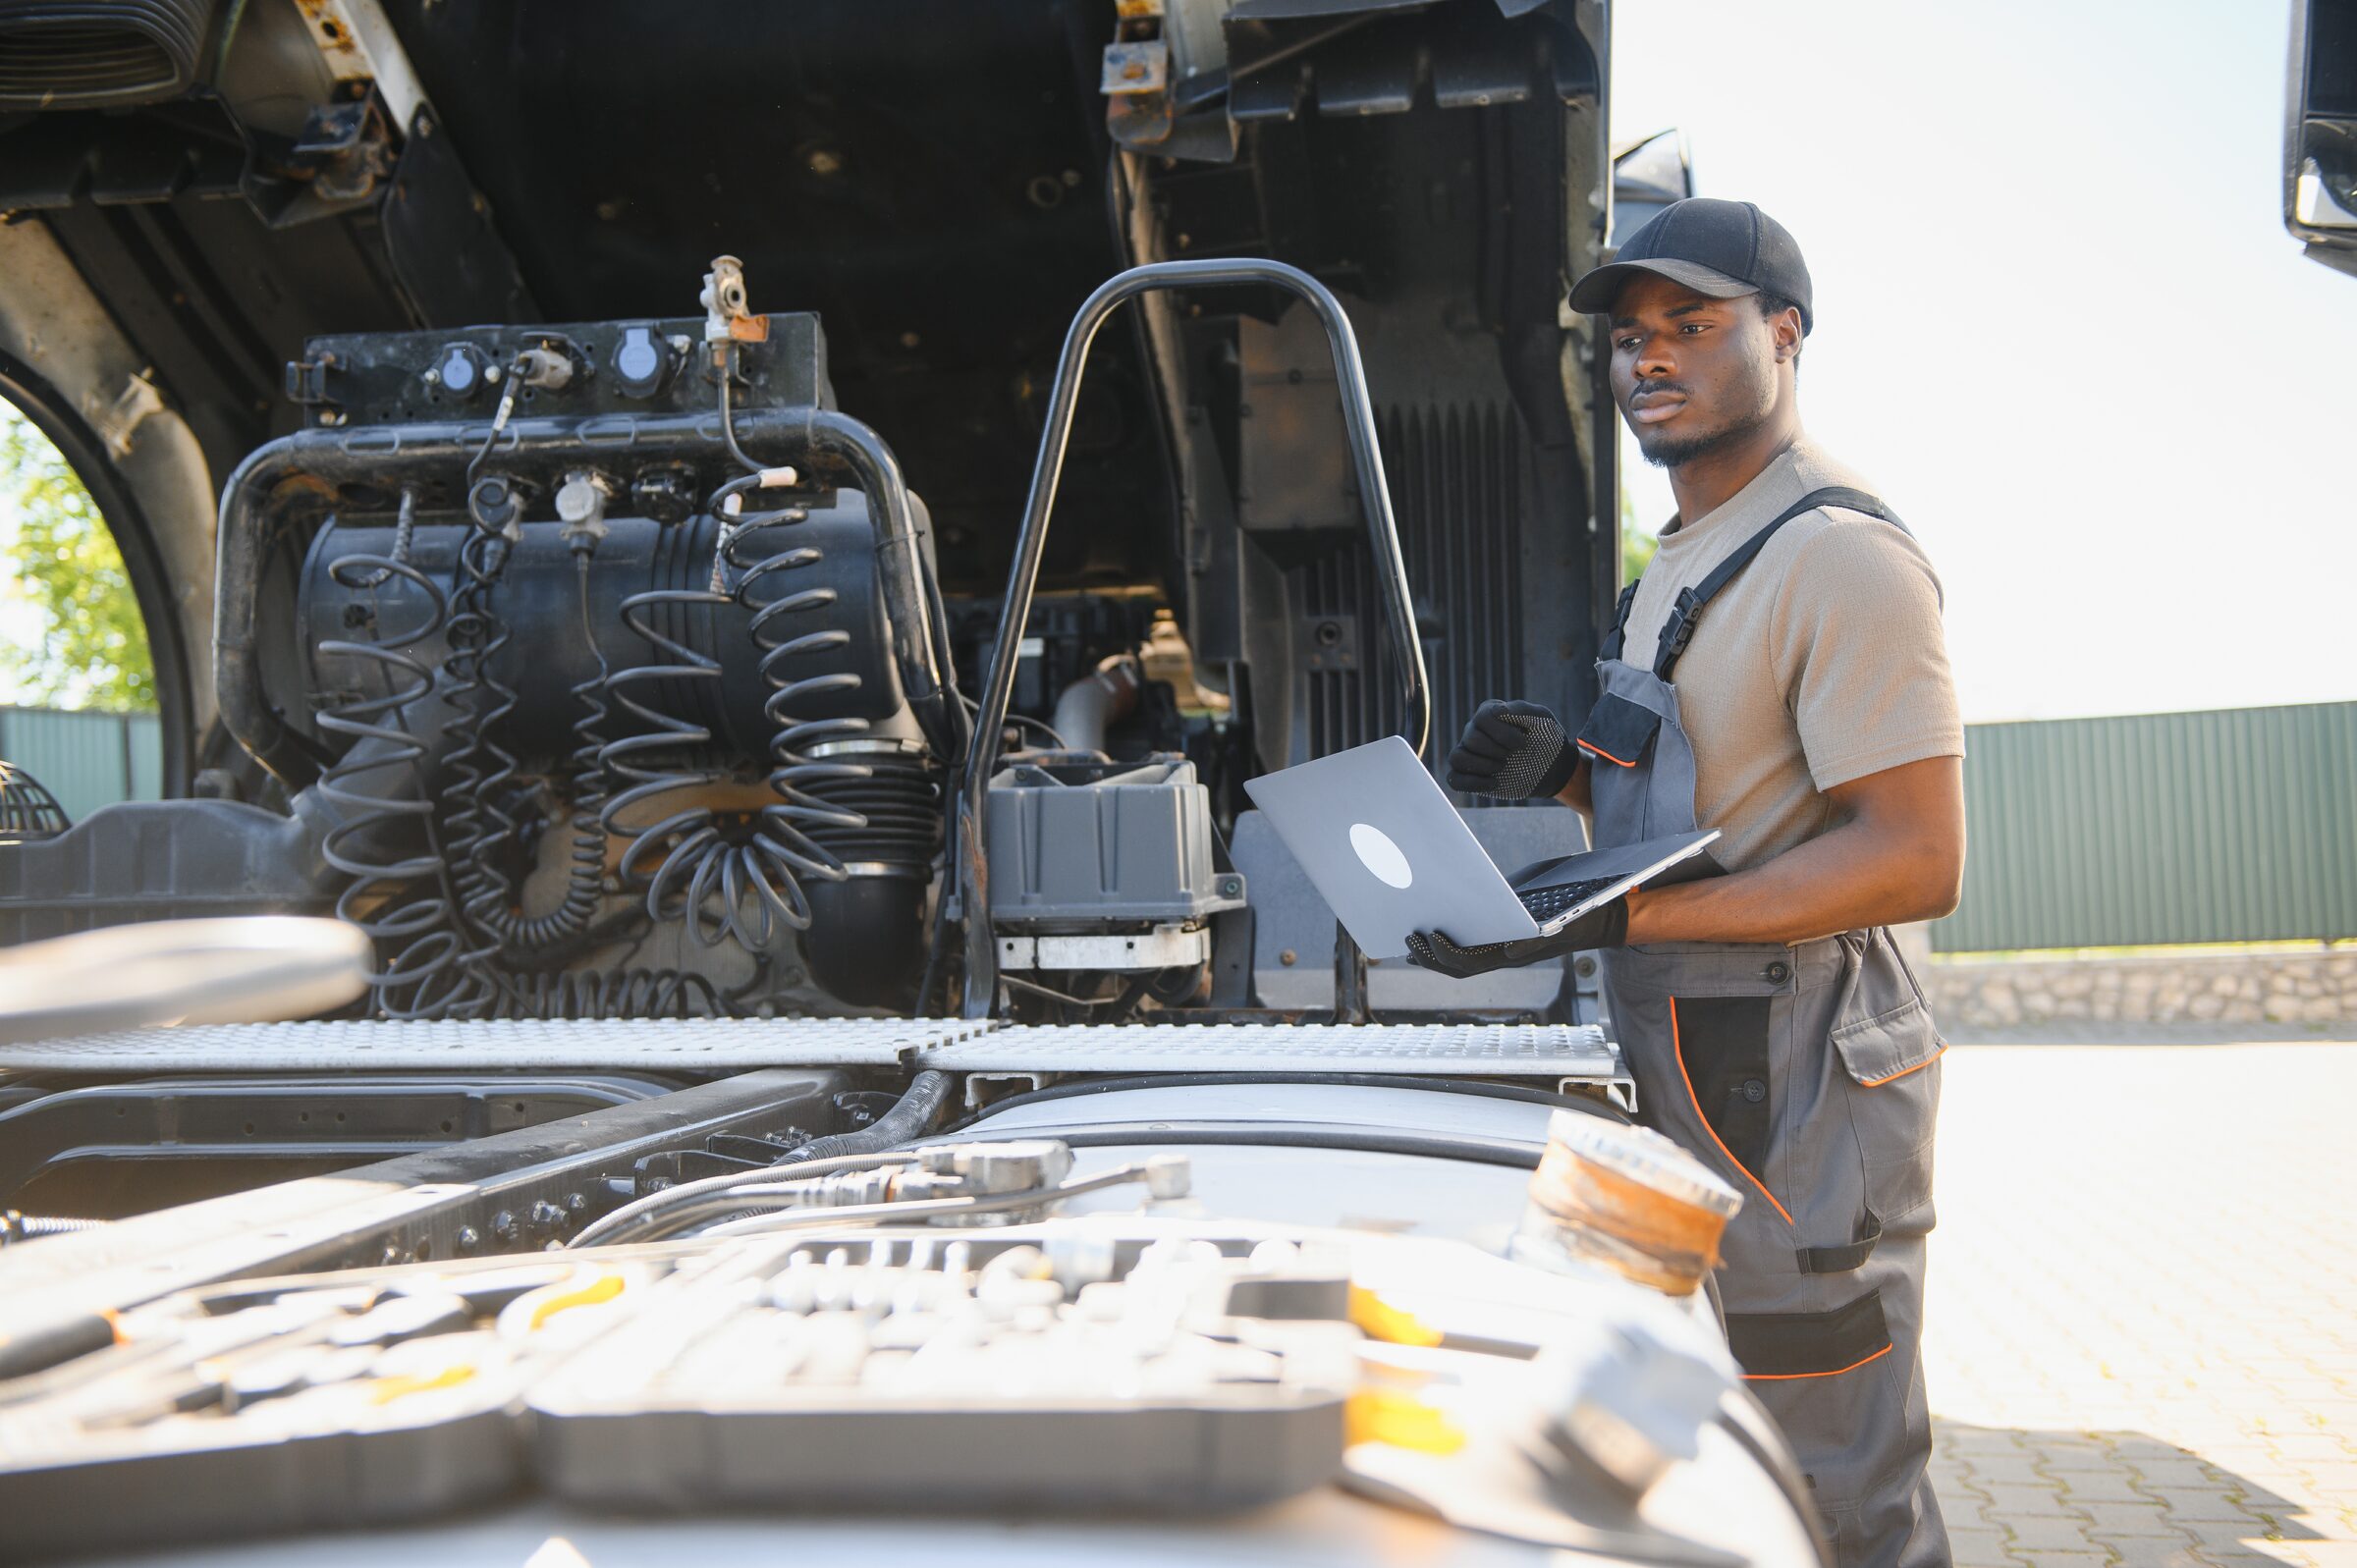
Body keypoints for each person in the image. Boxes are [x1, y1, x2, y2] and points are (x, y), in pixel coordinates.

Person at [1407, 197, 1964, 1568]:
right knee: (1663, 1424)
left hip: (1797, 1080)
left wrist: (1635, 912)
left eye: (1694, 326)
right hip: (1663, 1049)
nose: (1649, 357)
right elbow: (1712, 808)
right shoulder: (1675, 565)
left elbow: (1916, 855)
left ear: (1784, 334)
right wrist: (1562, 783)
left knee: (1833, 1469)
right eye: (1632, 336)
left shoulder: (1843, 555)